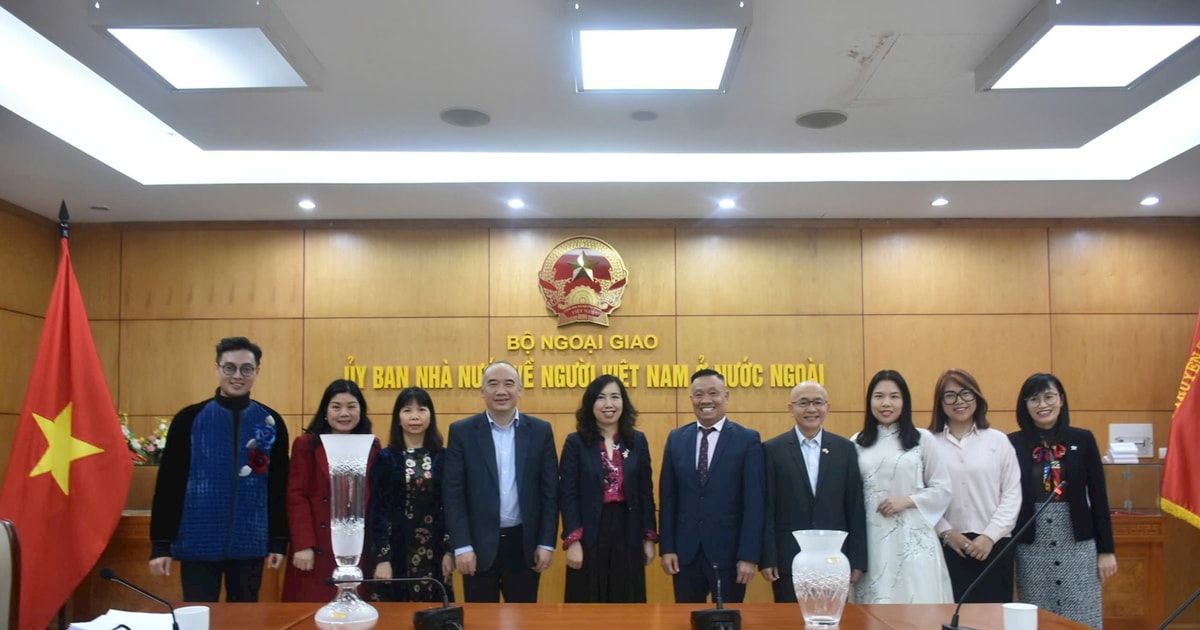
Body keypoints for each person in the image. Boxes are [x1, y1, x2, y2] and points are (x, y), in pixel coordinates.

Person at [148, 336, 290, 602]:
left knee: (244, 621)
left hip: (251, 541)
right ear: (217, 368)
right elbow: (169, 484)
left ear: (257, 371)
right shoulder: (188, 419)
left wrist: (278, 540)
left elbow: (278, 486)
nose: (238, 375)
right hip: (197, 540)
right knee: (201, 619)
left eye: (246, 369)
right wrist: (160, 544)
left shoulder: (270, 422)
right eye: (230, 368)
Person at [442, 361, 558, 602]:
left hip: (524, 545)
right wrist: (462, 546)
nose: (501, 391)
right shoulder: (462, 432)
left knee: (524, 620)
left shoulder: (540, 431)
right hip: (477, 547)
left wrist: (546, 543)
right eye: (493, 384)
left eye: (509, 384)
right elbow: (454, 495)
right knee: (481, 621)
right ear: (482, 391)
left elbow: (549, 493)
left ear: (520, 390)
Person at [1009, 373, 1116, 629]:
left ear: (1061, 400)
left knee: (1081, 614)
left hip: (1077, 542)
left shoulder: (1083, 439)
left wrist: (1106, 550)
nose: (1042, 405)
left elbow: (1099, 497)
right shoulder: (1012, 443)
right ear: (1025, 405)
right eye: (1034, 399)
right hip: (1031, 543)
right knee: (1036, 617)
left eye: (1049, 397)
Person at [659, 369, 764, 604]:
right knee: (686, 619)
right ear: (691, 400)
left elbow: (754, 503)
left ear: (726, 396)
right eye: (698, 395)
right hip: (685, 555)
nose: (705, 400)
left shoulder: (747, 440)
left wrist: (748, 556)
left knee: (727, 621)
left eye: (713, 393)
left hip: (729, 555)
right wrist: (667, 548)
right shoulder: (676, 438)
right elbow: (668, 498)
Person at [852, 369, 953, 604]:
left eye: (894, 396)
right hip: (872, 539)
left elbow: (943, 489)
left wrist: (907, 500)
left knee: (916, 602)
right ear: (869, 401)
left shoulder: (922, 439)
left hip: (913, 538)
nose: (886, 403)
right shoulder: (856, 442)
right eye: (879, 396)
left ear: (904, 401)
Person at [761, 380, 866, 603]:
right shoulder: (772, 449)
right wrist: (768, 558)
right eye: (803, 403)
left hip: (834, 557)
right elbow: (767, 507)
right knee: (789, 622)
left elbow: (855, 506)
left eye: (818, 402)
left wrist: (857, 559)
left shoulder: (845, 449)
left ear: (828, 407)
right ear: (791, 409)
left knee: (833, 620)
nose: (811, 409)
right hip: (788, 558)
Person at [558, 375, 658, 603]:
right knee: (588, 603)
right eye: (601, 398)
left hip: (628, 531)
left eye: (615, 397)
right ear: (591, 403)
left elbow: (645, 493)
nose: (608, 404)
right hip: (590, 532)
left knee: (627, 604)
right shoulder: (577, 443)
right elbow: (568, 495)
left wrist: (649, 538)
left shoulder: (635, 443)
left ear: (624, 402)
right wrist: (573, 541)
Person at [928, 368, 1022, 603]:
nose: (959, 401)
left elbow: (1012, 495)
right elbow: (922, 494)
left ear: (977, 398)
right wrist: (946, 532)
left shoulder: (998, 441)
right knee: (947, 616)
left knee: (992, 619)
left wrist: (989, 537)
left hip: (994, 545)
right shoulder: (928, 442)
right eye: (950, 395)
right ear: (940, 403)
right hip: (946, 546)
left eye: (966, 394)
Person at [282, 379, 380, 602]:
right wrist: (303, 544)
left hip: (358, 550)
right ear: (325, 411)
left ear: (361, 411)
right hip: (317, 548)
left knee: (354, 611)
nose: (344, 413)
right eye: (336, 406)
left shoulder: (372, 447)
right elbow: (297, 495)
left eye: (351, 406)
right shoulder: (306, 444)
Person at [368, 387, 455, 602]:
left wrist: (450, 551)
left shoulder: (444, 458)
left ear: (431, 416)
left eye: (421, 410)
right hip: (396, 550)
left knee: (435, 615)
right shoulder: (385, 458)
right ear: (398, 417)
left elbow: (452, 507)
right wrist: (382, 557)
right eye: (407, 410)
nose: (415, 416)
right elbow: (377, 511)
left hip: (434, 552)